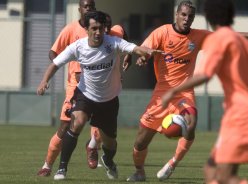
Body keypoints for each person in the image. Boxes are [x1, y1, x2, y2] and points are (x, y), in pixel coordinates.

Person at [126, 0, 248, 182]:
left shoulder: (198, 36)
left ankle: (172, 163)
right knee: (140, 142)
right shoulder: (162, 32)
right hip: (161, 93)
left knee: (191, 124)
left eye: (190, 16)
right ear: (176, 15)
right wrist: (143, 57)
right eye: (183, 15)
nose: (187, 19)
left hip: (184, 93)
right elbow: (146, 48)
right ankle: (139, 171)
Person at [161, 0, 248, 183]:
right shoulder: (242, 43)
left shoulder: (220, 41)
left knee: (223, 175)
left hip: (240, 113)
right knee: (211, 171)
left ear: (208, 17)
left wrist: (173, 90)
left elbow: (205, 75)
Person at [37, 11, 163, 181]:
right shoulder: (77, 47)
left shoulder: (113, 43)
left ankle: (108, 160)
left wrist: (146, 51)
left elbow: (133, 48)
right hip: (85, 95)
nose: (98, 32)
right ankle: (62, 169)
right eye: (94, 28)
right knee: (76, 124)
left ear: (105, 29)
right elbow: (55, 63)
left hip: (108, 100)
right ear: (87, 30)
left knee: (110, 143)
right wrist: (44, 81)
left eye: (101, 29)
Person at [37, 0, 96, 177]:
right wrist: (63, 62)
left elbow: (119, 38)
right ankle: (48, 165)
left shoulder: (101, 29)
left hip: (97, 86)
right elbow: (53, 52)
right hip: (75, 87)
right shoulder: (71, 29)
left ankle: (92, 146)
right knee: (64, 127)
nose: (89, 9)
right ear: (79, 9)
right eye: (86, 6)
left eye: (92, 6)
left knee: (102, 128)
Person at [85, 11, 132, 169]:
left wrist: (128, 56)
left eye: (107, 25)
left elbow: (125, 37)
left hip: (113, 84)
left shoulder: (116, 33)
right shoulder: (93, 40)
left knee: (106, 123)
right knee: (100, 119)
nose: (104, 29)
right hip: (93, 87)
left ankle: (93, 145)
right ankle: (92, 146)